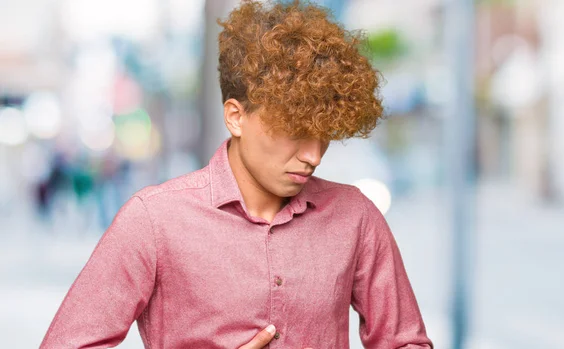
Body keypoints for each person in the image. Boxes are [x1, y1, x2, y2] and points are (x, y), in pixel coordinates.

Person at [40, 0, 433, 348]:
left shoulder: (356, 218)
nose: (313, 156)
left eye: (324, 134)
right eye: (295, 131)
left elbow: (405, 342)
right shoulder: (154, 221)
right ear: (236, 117)